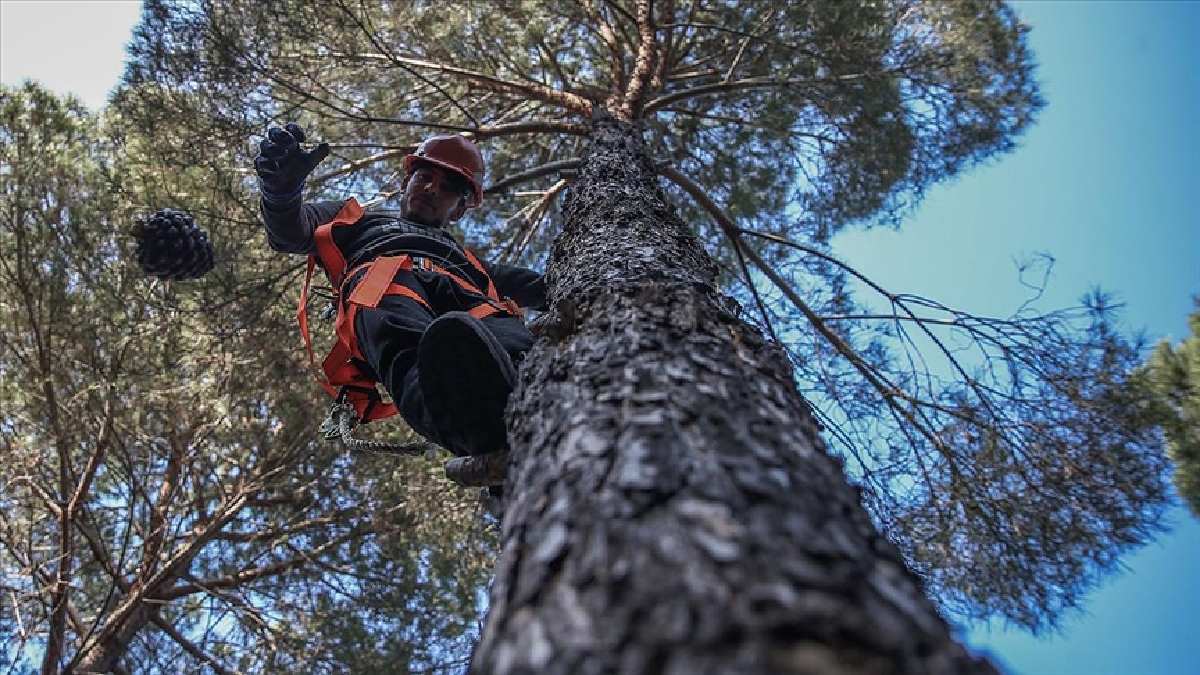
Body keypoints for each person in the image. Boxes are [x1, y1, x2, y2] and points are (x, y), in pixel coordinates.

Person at [254, 123, 545, 459]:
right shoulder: (354, 220)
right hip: (384, 283)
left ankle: (539, 400)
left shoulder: (471, 263)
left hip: (468, 294)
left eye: (448, 188)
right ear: (406, 182)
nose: (432, 188)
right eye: (425, 177)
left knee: (513, 341)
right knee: (407, 348)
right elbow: (290, 231)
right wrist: (280, 193)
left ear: (459, 209)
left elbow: (538, 287)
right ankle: (469, 426)